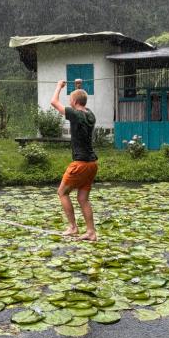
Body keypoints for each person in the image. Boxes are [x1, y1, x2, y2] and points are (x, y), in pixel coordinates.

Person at [50, 79, 98, 241]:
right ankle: (91, 232)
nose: (69, 102)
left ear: (75, 102)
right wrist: (78, 88)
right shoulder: (90, 114)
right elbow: (81, 100)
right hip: (92, 164)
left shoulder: (75, 114)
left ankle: (72, 227)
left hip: (80, 164)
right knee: (83, 198)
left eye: (71, 100)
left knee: (62, 192)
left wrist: (59, 86)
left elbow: (54, 102)